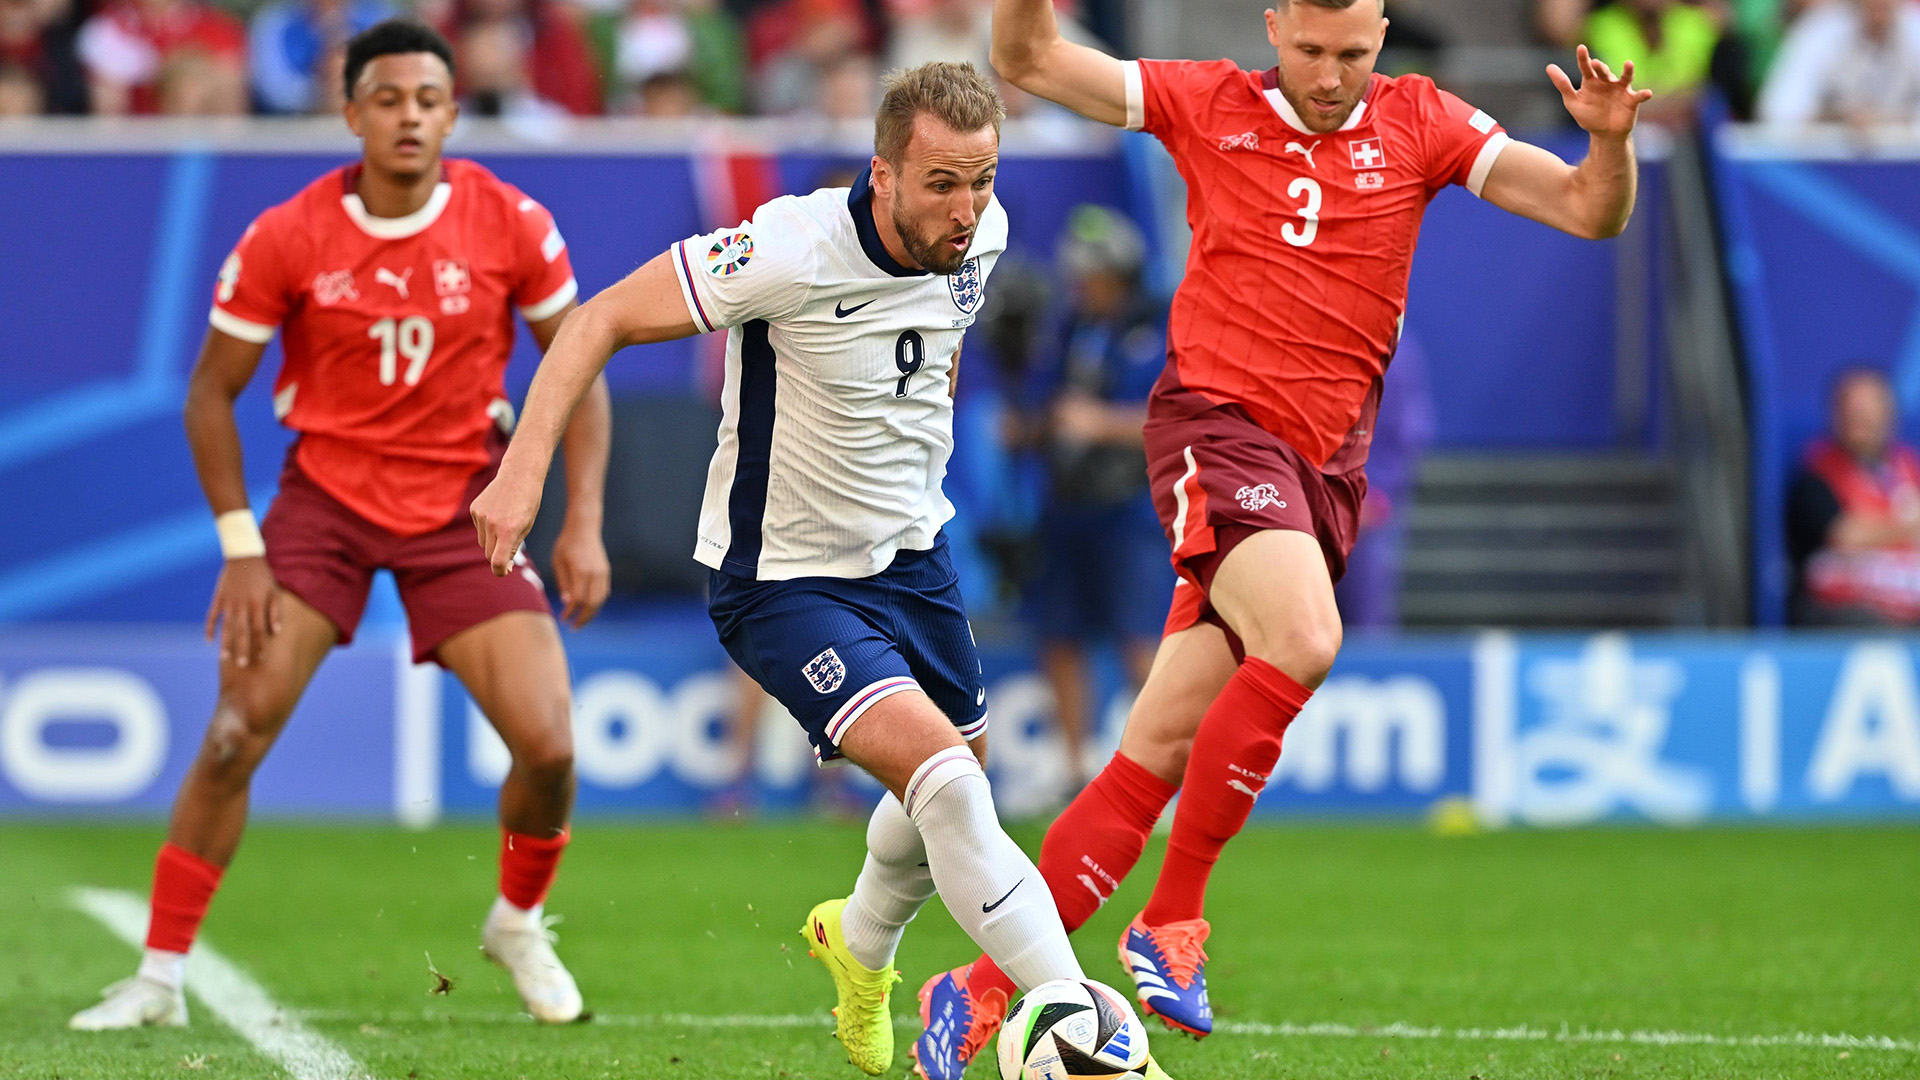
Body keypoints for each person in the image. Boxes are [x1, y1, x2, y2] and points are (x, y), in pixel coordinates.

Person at [908, 0, 1656, 1074]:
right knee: (1305, 639)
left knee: (1153, 754)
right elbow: (1025, 56)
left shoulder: (1427, 123)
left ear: (1382, 36)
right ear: (1275, 28)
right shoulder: (1205, 102)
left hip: (1322, 477)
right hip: (1218, 432)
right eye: (1309, 51)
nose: (1328, 75)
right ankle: (1171, 918)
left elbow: (1592, 212)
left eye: (1351, 53)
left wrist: (1613, 144)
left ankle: (974, 989)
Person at [470, 60, 1170, 1080]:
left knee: (948, 793)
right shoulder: (789, 246)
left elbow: (933, 360)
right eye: (942, 182)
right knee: (953, 793)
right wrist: (523, 475)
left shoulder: (989, 233)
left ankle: (862, 943)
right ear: (883, 173)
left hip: (916, 558)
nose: (966, 206)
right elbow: (597, 320)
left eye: (981, 179)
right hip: (785, 580)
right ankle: (1080, 1024)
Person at [68, 20, 612, 1032]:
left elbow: (577, 375)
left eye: (428, 99)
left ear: (453, 111)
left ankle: (517, 921)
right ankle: (157, 975)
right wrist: (241, 544)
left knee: (549, 747)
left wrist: (580, 522)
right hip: (325, 508)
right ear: (351, 109)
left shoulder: (510, 220)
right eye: (389, 98)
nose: (410, 116)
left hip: (461, 506)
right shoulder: (289, 233)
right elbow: (208, 395)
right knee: (233, 736)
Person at [1017, 204, 1171, 792]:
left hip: (1129, 506)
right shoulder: (1068, 325)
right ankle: (1074, 768)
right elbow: (1046, 403)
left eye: (1094, 275)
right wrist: (1028, 426)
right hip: (1065, 502)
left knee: (1141, 640)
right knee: (1058, 636)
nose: (1084, 286)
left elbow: (1173, 416)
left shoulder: (1155, 327)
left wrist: (1099, 422)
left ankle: (1158, 776)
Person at [1786, 367, 1920, 624]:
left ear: (1891, 416)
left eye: (1872, 411)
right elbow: (1846, 536)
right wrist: (1907, 527)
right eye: (1855, 412)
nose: (1864, 421)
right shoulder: (1816, 475)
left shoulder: (1909, 470)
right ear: (1837, 416)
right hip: (1845, 608)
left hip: (1907, 599)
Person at [1757, 0, 1920, 127]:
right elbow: (1779, 110)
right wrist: (1837, 118)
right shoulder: (1818, 30)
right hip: (1826, 165)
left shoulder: (1915, 29)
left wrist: (1889, 121)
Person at [76, 0, 246, 115]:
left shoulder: (219, 30)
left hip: (207, 146)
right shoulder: (109, 30)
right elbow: (108, 118)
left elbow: (232, 113)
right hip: (139, 147)